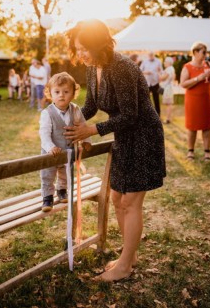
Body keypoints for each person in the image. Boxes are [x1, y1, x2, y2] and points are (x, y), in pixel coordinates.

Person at [65, 19, 166, 282]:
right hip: (124, 136)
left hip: (143, 135)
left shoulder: (121, 67)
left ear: (99, 45)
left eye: (84, 48)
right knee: (117, 199)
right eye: (78, 48)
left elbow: (131, 115)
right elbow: (90, 106)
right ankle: (129, 257)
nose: (81, 54)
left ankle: (124, 266)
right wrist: (66, 118)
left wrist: (91, 130)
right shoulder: (92, 68)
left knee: (131, 202)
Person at [39, 72, 91, 212]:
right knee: (48, 174)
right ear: (50, 93)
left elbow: (83, 126)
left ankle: (62, 190)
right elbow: (44, 134)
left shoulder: (75, 110)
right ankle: (47, 197)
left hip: (68, 151)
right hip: (52, 153)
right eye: (57, 92)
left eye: (66, 91)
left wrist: (86, 140)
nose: (61, 95)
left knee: (65, 173)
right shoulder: (47, 113)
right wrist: (50, 147)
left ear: (73, 93)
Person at [180, 42, 210, 161]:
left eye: (206, 52)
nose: (205, 55)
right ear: (195, 52)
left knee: (207, 127)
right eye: (203, 52)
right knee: (192, 127)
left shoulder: (207, 64)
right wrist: (199, 78)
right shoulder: (187, 67)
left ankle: (207, 151)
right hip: (193, 100)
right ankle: (190, 151)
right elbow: (183, 84)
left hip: (207, 99)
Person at [140, 51, 163, 116]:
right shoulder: (144, 61)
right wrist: (146, 72)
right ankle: (147, 114)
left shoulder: (158, 61)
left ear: (154, 55)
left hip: (155, 83)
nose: (151, 56)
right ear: (148, 55)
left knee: (156, 99)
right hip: (147, 83)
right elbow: (140, 70)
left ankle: (158, 114)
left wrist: (159, 72)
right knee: (146, 99)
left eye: (152, 55)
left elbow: (161, 71)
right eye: (149, 55)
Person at [159, 57, 176, 124]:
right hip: (168, 87)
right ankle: (168, 118)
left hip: (168, 88)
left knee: (168, 104)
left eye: (165, 61)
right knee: (168, 104)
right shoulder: (171, 69)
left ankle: (168, 119)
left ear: (169, 62)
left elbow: (163, 78)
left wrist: (159, 75)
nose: (164, 63)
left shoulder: (169, 69)